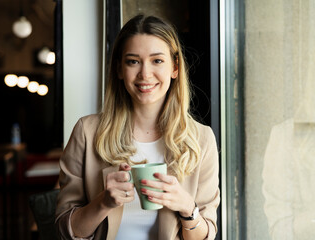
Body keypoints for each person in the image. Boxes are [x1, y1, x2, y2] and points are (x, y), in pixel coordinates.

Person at [55, 14, 220, 240]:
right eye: (133, 61)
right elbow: (66, 230)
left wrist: (187, 208)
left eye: (157, 61)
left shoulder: (201, 139)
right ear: (119, 69)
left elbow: (205, 236)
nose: (145, 74)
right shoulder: (87, 132)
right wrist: (103, 202)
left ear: (175, 67)